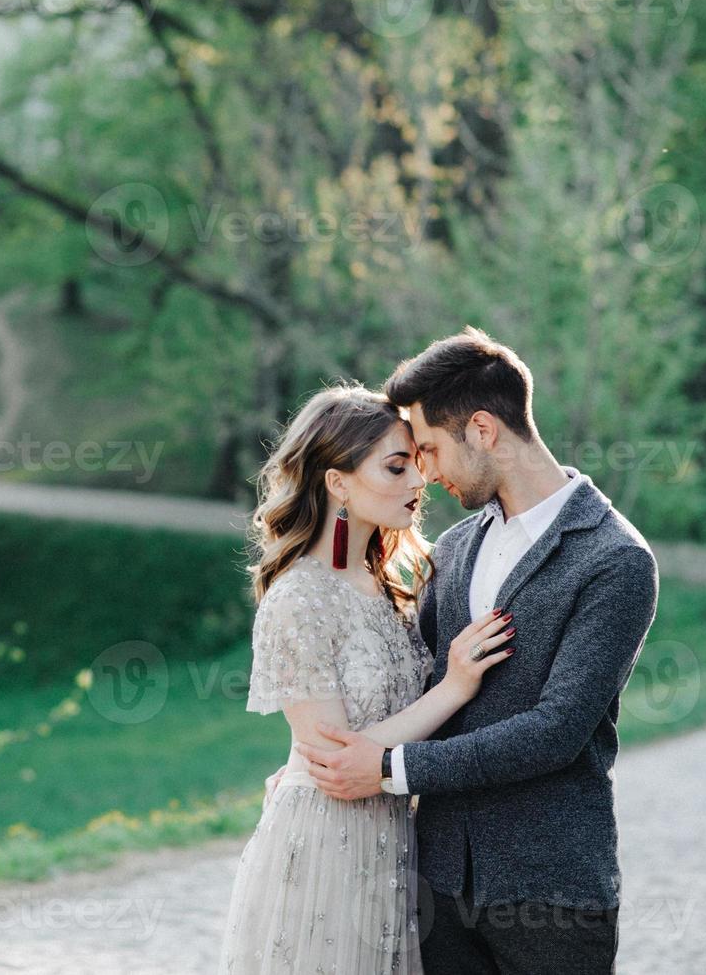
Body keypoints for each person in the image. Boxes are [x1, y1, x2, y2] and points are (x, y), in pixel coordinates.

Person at [291, 328, 659, 974]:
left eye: (428, 449)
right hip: (434, 884)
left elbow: (555, 733)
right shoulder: (454, 549)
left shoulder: (614, 560)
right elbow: (421, 691)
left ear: (483, 430)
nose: (424, 472)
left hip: (548, 889)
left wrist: (387, 769)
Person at [219, 383, 517, 973]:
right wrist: (454, 686)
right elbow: (334, 758)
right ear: (338, 483)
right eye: (396, 467)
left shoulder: (391, 586)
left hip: (396, 839)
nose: (418, 482)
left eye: (417, 463)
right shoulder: (298, 598)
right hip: (329, 839)